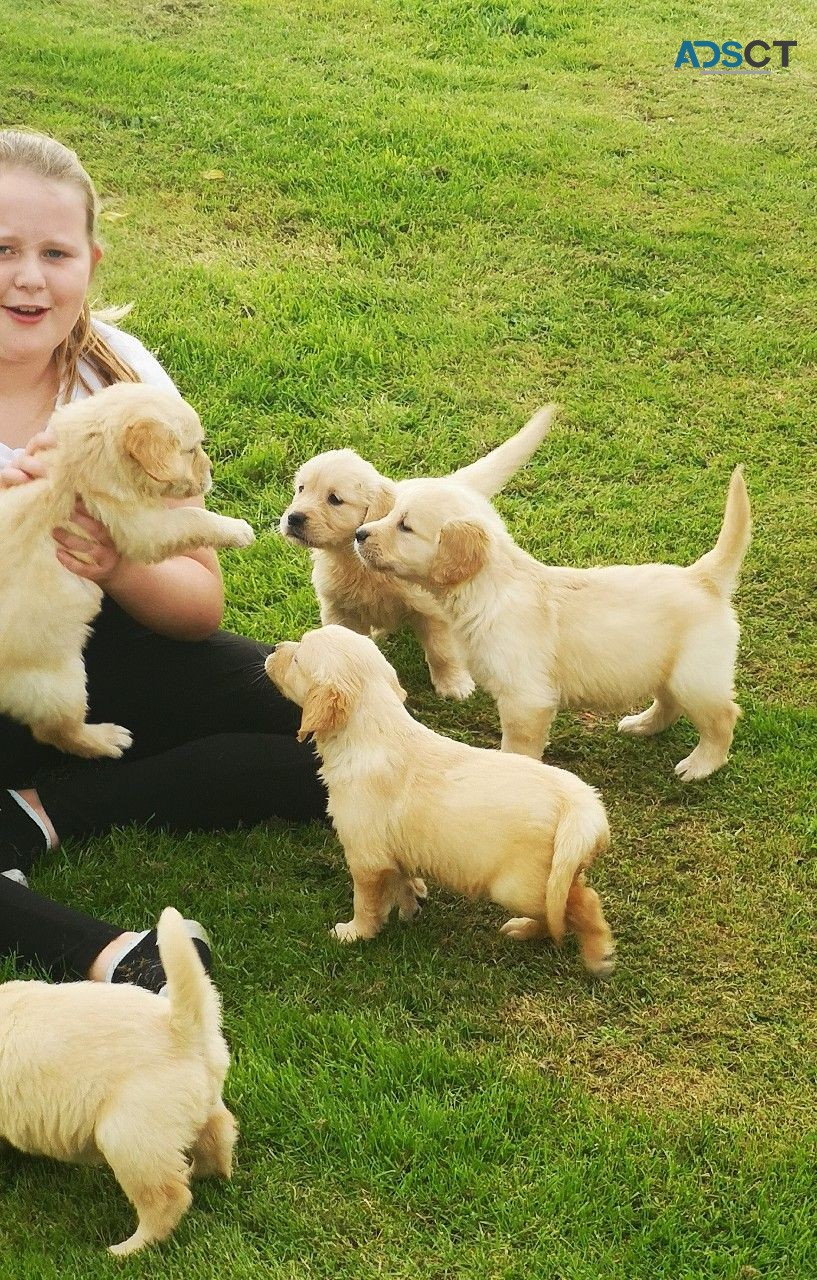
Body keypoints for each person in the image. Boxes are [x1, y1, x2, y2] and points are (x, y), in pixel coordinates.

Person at [0, 128, 327, 992]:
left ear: (91, 262)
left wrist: (113, 561)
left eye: (53, 252)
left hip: (105, 647)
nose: (27, 277)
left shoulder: (118, 376)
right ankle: (111, 957)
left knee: (332, 728)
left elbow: (197, 609)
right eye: (0, 249)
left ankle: (43, 812)